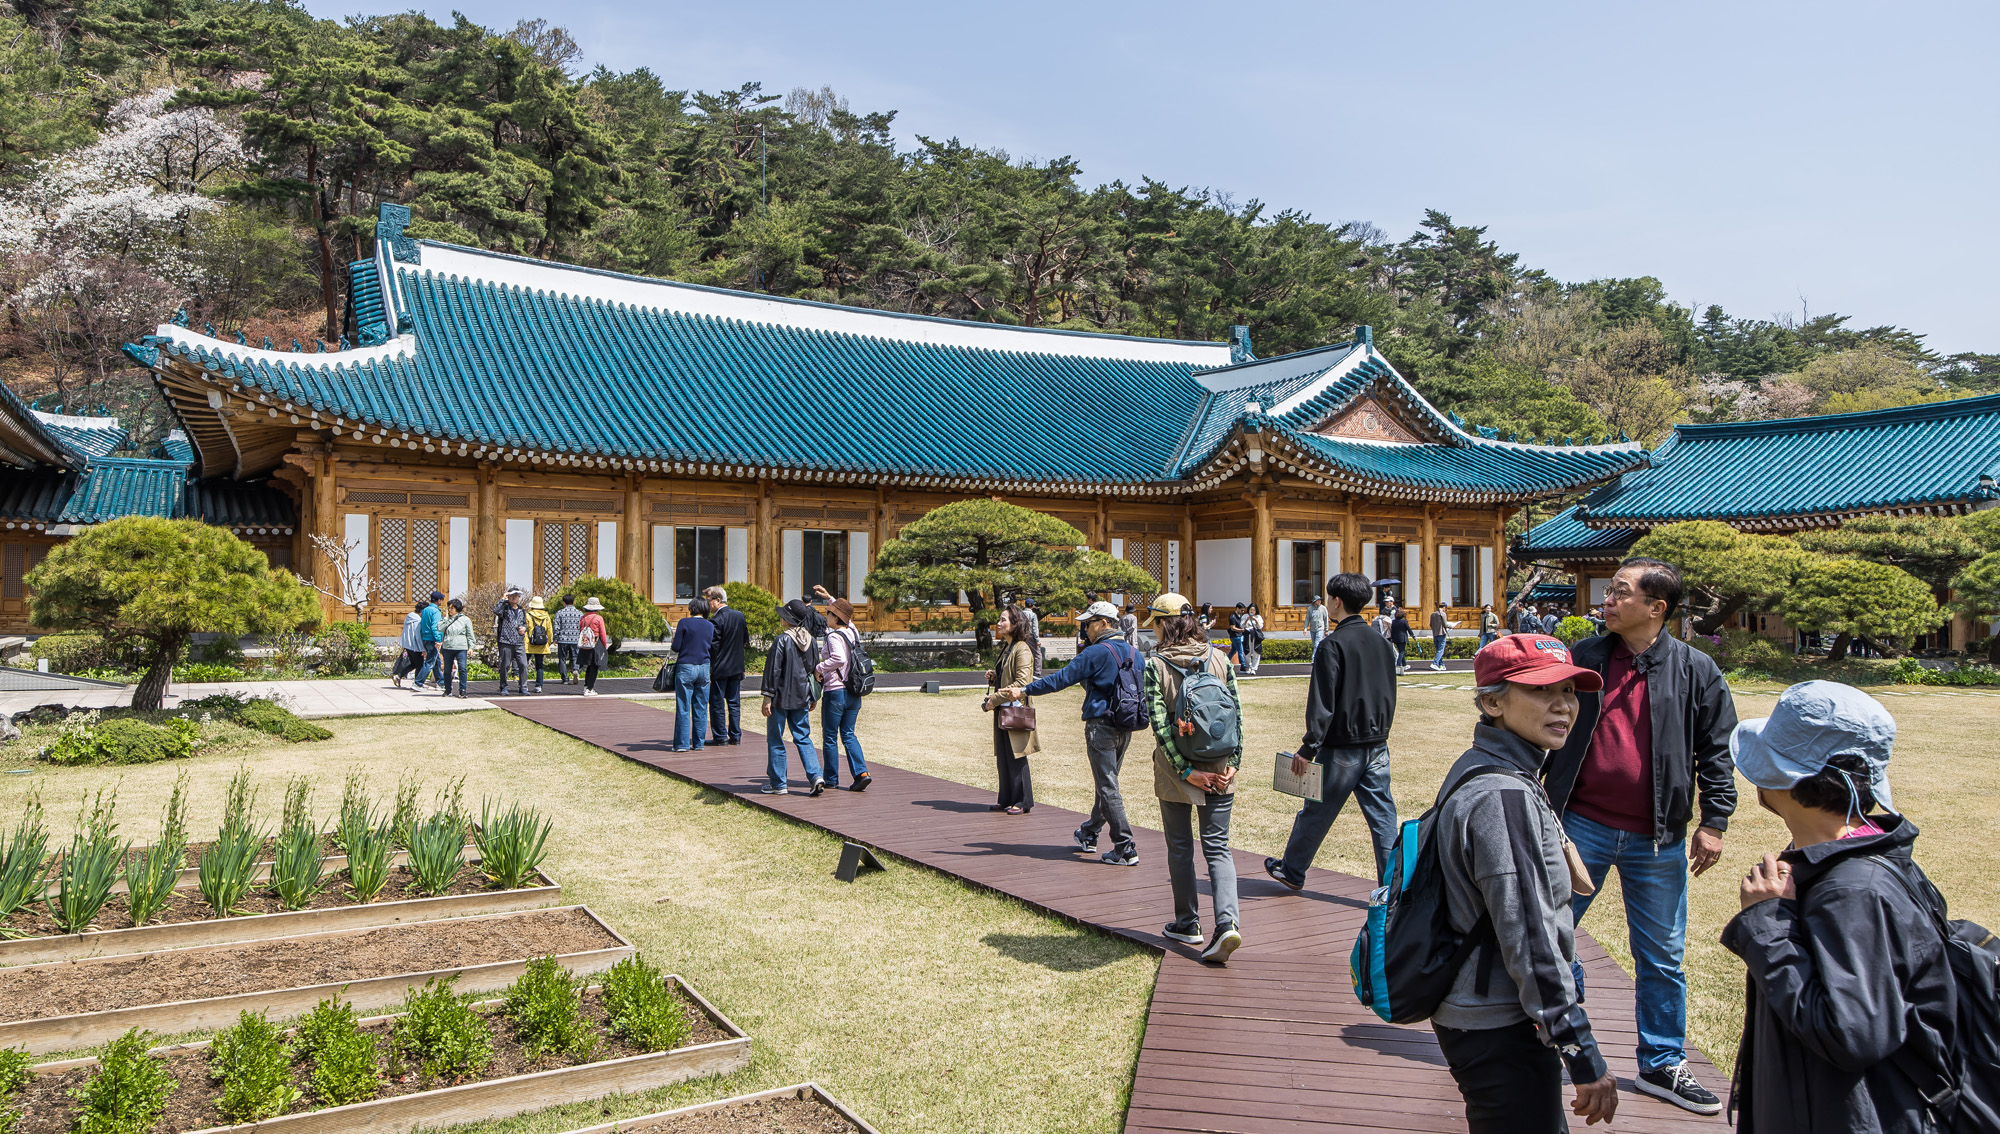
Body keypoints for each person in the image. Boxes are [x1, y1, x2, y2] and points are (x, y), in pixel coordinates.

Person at [1541, 556, 1737, 1115]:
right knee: (1551, 933)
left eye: (1620, 591)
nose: (1607, 597)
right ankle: (1554, 1034)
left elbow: (1717, 751)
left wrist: (1715, 822)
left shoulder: (1696, 670)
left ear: (1656, 608)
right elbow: (1541, 723)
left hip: (1659, 838)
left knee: (1662, 956)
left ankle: (1661, 1063)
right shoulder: (1583, 658)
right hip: (1578, 825)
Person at [1721, 680, 1955, 1134]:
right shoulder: (1857, 860)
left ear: (1791, 779)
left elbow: (1853, 1034)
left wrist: (1767, 924)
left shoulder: (1853, 890)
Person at [1434, 633, 1616, 1133]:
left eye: (1570, 691)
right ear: (1492, 702)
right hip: (1498, 1021)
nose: (1562, 706)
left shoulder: (1496, 768)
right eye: (1541, 691)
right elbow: (1529, 936)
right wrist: (1580, 1051)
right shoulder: (1503, 795)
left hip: (1489, 1010)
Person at [1265, 572, 1400, 890]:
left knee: (1316, 812)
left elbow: (1322, 704)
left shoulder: (1332, 645)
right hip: (1377, 743)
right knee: (1383, 818)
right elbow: (1389, 692)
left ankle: (1293, 869)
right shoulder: (1382, 643)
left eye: (1329, 598)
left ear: (1336, 601)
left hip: (1342, 746)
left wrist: (1308, 748)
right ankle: (1393, 886)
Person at [997, 599, 1142, 867]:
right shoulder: (1135, 653)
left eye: (1089, 623)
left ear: (1104, 623)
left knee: (1108, 787)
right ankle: (1089, 833)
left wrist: (1026, 690)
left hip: (1101, 727)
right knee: (1106, 784)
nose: (1085, 628)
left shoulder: (1096, 653)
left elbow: (1061, 679)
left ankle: (1125, 846)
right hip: (1127, 725)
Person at [1143, 593, 1244, 965]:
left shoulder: (1155, 665)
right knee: (1218, 846)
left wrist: (1186, 771)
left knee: (1181, 847)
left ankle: (1188, 922)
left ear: (1162, 624)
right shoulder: (1218, 657)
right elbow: (1236, 710)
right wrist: (1234, 760)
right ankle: (1227, 921)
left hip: (1177, 771)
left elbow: (1159, 725)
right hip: (1221, 766)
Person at [761, 599, 824, 795]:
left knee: (775, 739)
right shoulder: (811, 641)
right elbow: (815, 670)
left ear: (787, 619)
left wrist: (767, 697)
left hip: (780, 697)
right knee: (803, 737)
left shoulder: (782, 640)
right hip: (802, 696)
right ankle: (816, 775)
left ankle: (778, 784)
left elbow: (773, 670)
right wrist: (813, 697)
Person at [981, 606, 1039, 813]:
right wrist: (995, 677)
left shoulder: (1022, 648)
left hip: (1014, 709)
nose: (999, 623)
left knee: (1016, 756)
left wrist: (994, 699)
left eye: (1003, 620)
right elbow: (1010, 675)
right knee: (1005, 756)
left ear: (1015, 624)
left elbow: (1022, 682)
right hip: (1003, 710)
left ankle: (1022, 801)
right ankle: (1006, 798)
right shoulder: (1008, 647)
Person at [815, 598, 872, 791]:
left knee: (830, 736)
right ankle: (861, 773)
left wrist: (819, 667)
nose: (826, 616)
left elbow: (838, 658)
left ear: (836, 617)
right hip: (854, 691)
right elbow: (850, 618)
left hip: (836, 691)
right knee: (848, 734)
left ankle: (831, 779)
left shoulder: (833, 636)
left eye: (829, 613)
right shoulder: (852, 632)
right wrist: (830, 597)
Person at [670, 598, 715, 751]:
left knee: (683, 706)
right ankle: (698, 743)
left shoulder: (684, 623)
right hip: (704, 666)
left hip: (686, 666)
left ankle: (682, 744)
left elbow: (676, 647)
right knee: (701, 707)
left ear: (691, 608)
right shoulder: (710, 625)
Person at [703, 586, 746, 746]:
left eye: (709, 601)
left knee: (717, 703)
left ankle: (720, 737)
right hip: (736, 666)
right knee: (734, 703)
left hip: (720, 668)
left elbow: (712, 646)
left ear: (718, 600)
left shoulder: (716, 620)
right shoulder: (739, 616)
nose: (708, 605)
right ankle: (735, 736)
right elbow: (745, 639)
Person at [492, 587, 528, 696]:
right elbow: (496, 611)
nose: (514, 597)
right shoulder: (505, 608)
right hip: (506, 641)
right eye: (512, 595)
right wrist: (502, 599)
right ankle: (503, 686)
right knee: (505, 665)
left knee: (523, 664)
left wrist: (524, 628)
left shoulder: (522, 610)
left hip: (519, 641)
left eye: (516, 595)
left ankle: (523, 687)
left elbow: (524, 623)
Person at [438, 598, 473, 698]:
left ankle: (462, 689)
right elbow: (439, 628)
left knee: (462, 668)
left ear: (457, 608)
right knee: (447, 669)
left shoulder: (465, 620)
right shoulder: (446, 619)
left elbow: (470, 634)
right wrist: (445, 618)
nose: (450, 610)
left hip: (461, 647)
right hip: (448, 647)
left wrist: (471, 647)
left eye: (452, 608)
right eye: (449, 608)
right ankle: (447, 689)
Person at [578, 597, 610, 696]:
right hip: (595, 643)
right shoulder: (598, 618)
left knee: (588, 665)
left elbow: (580, 631)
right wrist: (604, 646)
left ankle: (586, 686)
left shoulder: (583, 618)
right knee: (595, 666)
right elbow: (603, 634)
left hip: (585, 643)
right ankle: (589, 688)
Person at [524, 596, 554, 693]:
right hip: (541, 645)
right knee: (540, 666)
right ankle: (539, 686)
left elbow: (525, 631)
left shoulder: (528, 616)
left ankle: (524, 685)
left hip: (529, 644)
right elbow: (549, 632)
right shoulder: (546, 617)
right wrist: (548, 643)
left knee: (524, 665)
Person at [391, 600, 425, 688]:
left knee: (414, 664)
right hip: (415, 646)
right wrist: (422, 648)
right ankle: (417, 684)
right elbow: (417, 636)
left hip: (408, 645)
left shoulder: (409, 617)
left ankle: (398, 675)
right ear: (422, 611)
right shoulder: (418, 621)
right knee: (420, 665)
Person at [415, 590, 445, 689]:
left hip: (425, 638)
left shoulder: (425, 610)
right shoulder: (435, 611)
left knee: (436, 662)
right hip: (432, 639)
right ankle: (418, 682)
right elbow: (435, 627)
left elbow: (422, 625)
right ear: (439, 601)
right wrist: (438, 640)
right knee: (430, 662)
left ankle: (440, 683)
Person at [552, 593, 583, 684]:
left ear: (563, 603)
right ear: (573, 602)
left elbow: (556, 626)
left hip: (562, 639)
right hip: (575, 638)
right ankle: (576, 669)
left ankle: (564, 678)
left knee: (562, 658)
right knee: (575, 657)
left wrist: (555, 638)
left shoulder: (560, 613)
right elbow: (582, 626)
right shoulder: (579, 613)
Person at [1019, 597, 1043, 676]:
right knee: (1037, 654)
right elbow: (1035, 628)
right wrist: (1037, 640)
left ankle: (1022, 670)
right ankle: (1037, 672)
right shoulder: (1033, 615)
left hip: (1021, 635)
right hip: (1030, 636)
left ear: (1024, 605)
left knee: (1022, 653)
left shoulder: (1020, 614)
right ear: (1032, 606)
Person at [1241, 603, 1266, 675]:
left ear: (1256, 611)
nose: (1252, 611)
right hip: (1247, 635)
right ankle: (1248, 666)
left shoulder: (1258, 617)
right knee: (1246, 652)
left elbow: (1260, 627)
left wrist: (1255, 620)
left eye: (1253, 610)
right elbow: (1242, 625)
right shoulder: (1245, 616)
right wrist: (1247, 620)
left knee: (1256, 652)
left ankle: (1253, 668)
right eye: (1250, 610)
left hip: (1255, 636)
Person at [1389, 603, 1412, 674]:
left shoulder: (1393, 621)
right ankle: (1398, 664)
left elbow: (1392, 631)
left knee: (1401, 651)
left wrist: (1391, 638)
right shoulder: (1404, 621)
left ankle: (1404, 664)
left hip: (1395, 638)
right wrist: (1412, 635)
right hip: (1402, 638)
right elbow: (1408, 629)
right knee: (1402, 652)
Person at [1430, 602, 1451, 671]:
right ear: (1444, 607)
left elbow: (1431, 624)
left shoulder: (1433, 614)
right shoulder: (1443, 614)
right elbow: (1445, 624)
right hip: (1441, 634)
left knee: (1439, 650)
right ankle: (1435, 663)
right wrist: (1451, 626)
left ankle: (1442, 665)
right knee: (1441, 650)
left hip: (1435, 634)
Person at [1227, 603, 1248, 670]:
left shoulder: (1240, 616)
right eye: (1241, 610)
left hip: (1239, 635)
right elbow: (1233, 628)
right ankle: (1243, 665)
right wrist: (1241, 630)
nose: (1243, 612)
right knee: (1240, 650)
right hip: (1235, 636)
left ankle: (1226, 661)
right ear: (1237, 608)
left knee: (1233, 650)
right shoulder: (1233, 617)